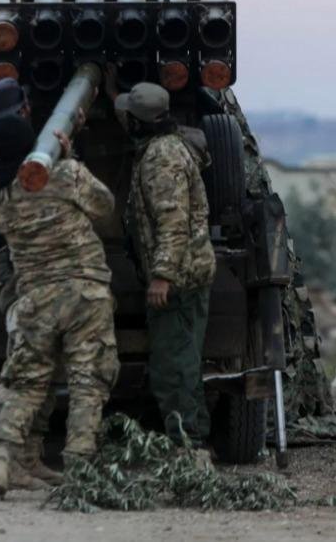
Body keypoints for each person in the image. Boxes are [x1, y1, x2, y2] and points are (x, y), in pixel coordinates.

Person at [0, 114, 119, 498]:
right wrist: (70, 158)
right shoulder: (66, 174)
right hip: (86, 293)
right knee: (88, 381)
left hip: (35, 299)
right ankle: (79, 467)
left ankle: (2, 461)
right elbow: (105, 205)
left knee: (24, 383)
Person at [115, 82, 216, 447]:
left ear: (138, 122)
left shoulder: (161, 159)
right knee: (184, 360)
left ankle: (187, 445)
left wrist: (161, 276)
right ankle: (195, 437)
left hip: (179, 279)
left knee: (172, 368)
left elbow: (173, 221)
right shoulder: (170, 143)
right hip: (189, 271)